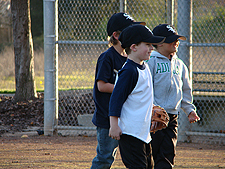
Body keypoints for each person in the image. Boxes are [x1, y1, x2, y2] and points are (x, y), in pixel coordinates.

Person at [91, 12, 146, 169]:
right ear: (116, 35)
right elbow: (101, 85)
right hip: (106, 117)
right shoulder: (107, 57)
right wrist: (124, 89)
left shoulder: (130, 58)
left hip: (125, 116)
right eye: (129, 32)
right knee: (105, 158)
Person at [108, 24, 165, 169]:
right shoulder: (128, 71)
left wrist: (150, 110)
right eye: (147, 44)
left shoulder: (144, 67)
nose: (152, 47)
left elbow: (140, 97)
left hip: (142, 133)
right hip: (130, 133)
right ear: (133, 47)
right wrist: (114, 125)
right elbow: (116, 100)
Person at [146, 24, 201, 169]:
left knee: (168, 154)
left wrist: (189, 110)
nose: (176, 42)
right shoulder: (150, 62)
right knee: (151, 154)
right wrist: (151, 107)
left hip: (172, 116)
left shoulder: (180, 65)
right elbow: (147, 88)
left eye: (177, 40)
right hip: (152, 116)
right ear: (159, 43)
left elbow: (185, 89)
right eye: (171, 40)